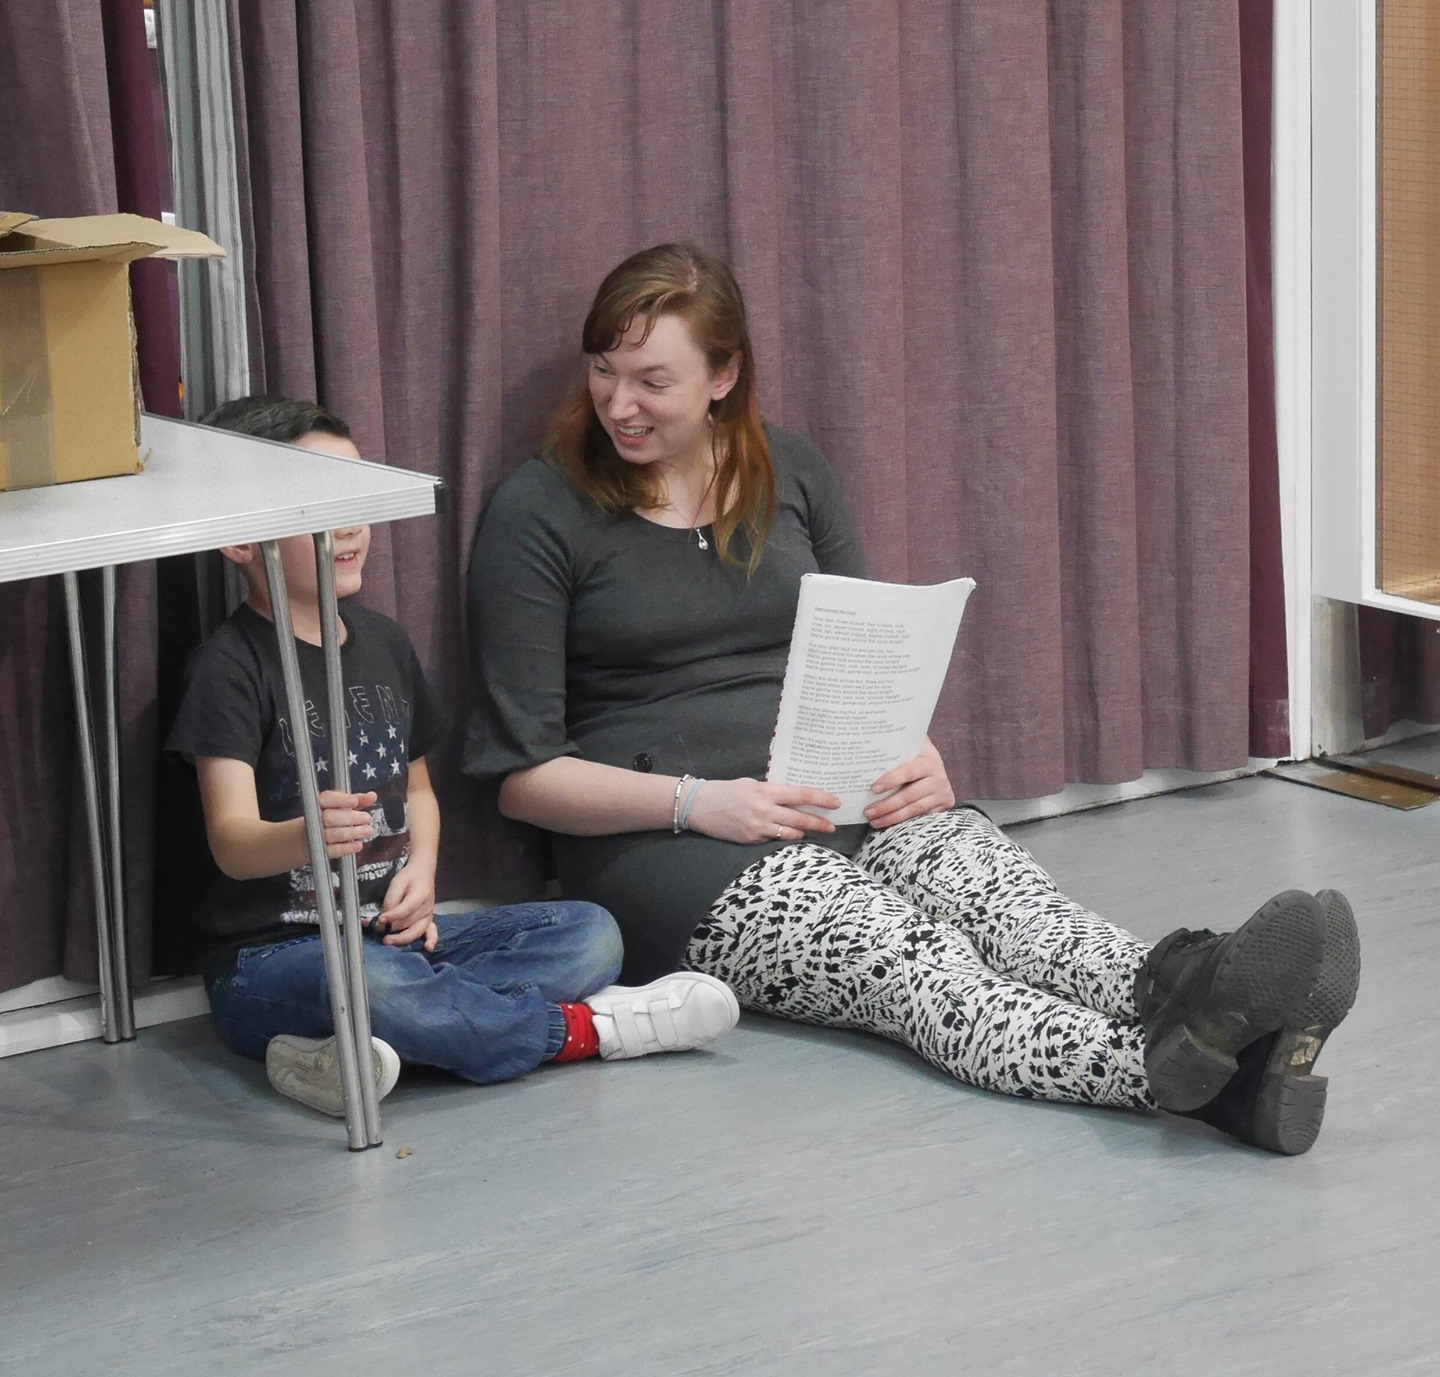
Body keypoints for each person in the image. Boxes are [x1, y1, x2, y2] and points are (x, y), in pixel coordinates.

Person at [463, 242, 1361, 1156]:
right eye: (605, 371)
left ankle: (1204, 983)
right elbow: (521, 776)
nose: (620, 403)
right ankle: (1192, 1075)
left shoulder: (792, 471)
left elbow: (870, 644)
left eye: (653, 380)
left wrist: (914, 750)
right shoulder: (541, 510)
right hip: (670, 847)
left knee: (1026, 916)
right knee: (920, 967)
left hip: (841, 787)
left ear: (724, 375)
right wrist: (702, 803)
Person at [167, 396, 739, 1119]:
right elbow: (231, 843)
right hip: (271, 958)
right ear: (240, 540)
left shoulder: (383, 644)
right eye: (317, 505)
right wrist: (303, 834)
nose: (349, 525)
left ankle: (354, 1050)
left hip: (392, 937)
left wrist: (422, 870)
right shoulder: (228, 666)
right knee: (374, 986)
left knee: (590, 933)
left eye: (356, 498)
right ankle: (582, 1031)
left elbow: (420, 793)